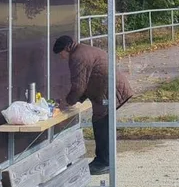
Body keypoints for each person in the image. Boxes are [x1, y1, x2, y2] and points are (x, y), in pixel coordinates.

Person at [53, 35, 134, 174]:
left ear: (67, 48)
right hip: (109, 89)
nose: (62, 57)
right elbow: (86, 80)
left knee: (101, 123)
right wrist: (76, 99)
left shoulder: (77, 57)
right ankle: (104, 160)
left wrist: (68, 102)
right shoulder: (83, 50)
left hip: (108, 91)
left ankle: (103, 162)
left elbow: (78, 86)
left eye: (61, 54)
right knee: (102, 122)